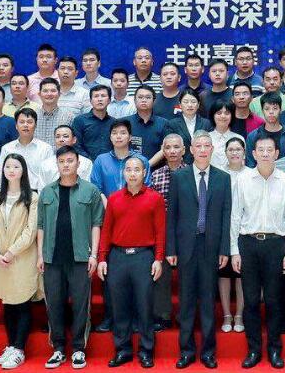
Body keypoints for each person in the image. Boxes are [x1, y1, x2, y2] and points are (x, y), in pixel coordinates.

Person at [231, 135, 285, 369]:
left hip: (275, 245)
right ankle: (253, 350)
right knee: (251, 300)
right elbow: (235, 217)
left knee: (273, 300)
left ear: (277, 153)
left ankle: (274, 349)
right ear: (253, 154)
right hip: (248, 244)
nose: (264, 153)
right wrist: (234, 251)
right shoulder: (242, 180)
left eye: (269, 149)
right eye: (260, 149)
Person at [166, 134, 233, 369]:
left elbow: (226, 215)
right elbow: (172, 215)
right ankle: (186, 351)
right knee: (186, 301)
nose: (203, 149)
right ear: (191, 150)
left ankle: (208, 352)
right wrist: (171, 248)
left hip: (211, 246)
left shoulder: (223, 178)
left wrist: (224, 248)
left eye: (206, 146)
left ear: (212, 149)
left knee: (207, 301)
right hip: (186, 246)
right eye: (198, 146)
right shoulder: (179, 177)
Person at [38, 146, 106, 371]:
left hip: (80, 257)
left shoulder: (91, 191)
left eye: (70, 160)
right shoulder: (47, 192)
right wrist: (40, 255)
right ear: (57, 164)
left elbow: (96, 224)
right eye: (62, 161)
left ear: (78, 163)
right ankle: (58, 348)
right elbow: (40, 226)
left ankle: (78, 349)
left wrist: (94, 255)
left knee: (80, 305)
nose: (66, 164)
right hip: (52, 257)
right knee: (54, 304)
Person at [99, 155, 167, 368]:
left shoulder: (155, 198)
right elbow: (106, 230)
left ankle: (146, 350)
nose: (132, 173)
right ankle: (123, 350)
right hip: (117, 257)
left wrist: (158, 258)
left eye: (137, 169)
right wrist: (102, 258)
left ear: (144, 172)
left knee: (144, 306)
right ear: (123, 173)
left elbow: (160, 231)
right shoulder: (114, 198)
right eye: (128, 169)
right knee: (119, 306)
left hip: (143, 257)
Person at [0, 154, 42, 370]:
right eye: (7, 166)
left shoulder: (32, 197)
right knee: (7, 302)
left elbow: (30, 230)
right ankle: (10, 345)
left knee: (22, 301)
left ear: (23, 170)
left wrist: (11, 252)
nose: (11, 170)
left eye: (16, 166)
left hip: (22, 257)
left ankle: (19, 349)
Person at [148, 135, 187, 330]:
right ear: (163, 151)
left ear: (184, 150)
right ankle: (162, 315)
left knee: (187, 275)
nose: (172, 151)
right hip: (161, 231)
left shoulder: (191, 173)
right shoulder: (155, 175)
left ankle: (185, 314)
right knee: (161, 273)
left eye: (176, 147)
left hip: (186, 231)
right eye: (168, 147)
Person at [216, 137, 249, 333]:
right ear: (225, 152)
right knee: (224, 273)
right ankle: (227, 314)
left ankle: (240, 315)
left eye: (238, 149)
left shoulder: (252, 174)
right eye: (231, 149)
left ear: (244, 152)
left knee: (241, 273)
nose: (235, 152)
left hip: (245, 230)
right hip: (222, 228)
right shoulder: (219, 174)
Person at [1, 108, 59, 189]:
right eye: (22, 122)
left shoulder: (46, 148)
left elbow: (49, 176)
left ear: (35, 125)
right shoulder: (7, 148)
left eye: (29, 122)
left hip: (37, 191)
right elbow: (1, 174)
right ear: (16, 126)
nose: (25, 125)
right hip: (12, 191)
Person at [165, 89, 214, 159]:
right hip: (180, 163)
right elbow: (169, 147)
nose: (190, 105)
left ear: (198, 105)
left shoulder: (207, 124)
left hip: (202, 161)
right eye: (185, 102)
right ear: (180, 105)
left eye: (193, 102)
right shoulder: (172, 124)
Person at [74, 84, 118, 158]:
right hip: (86, 162)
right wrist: (90, 161)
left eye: (103, 96)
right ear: (91, 101)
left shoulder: (115, 122)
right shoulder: (80, 120)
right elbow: (77, 145)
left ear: (109, 100)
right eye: (96, 96)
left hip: (110, 161)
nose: (99, 99)